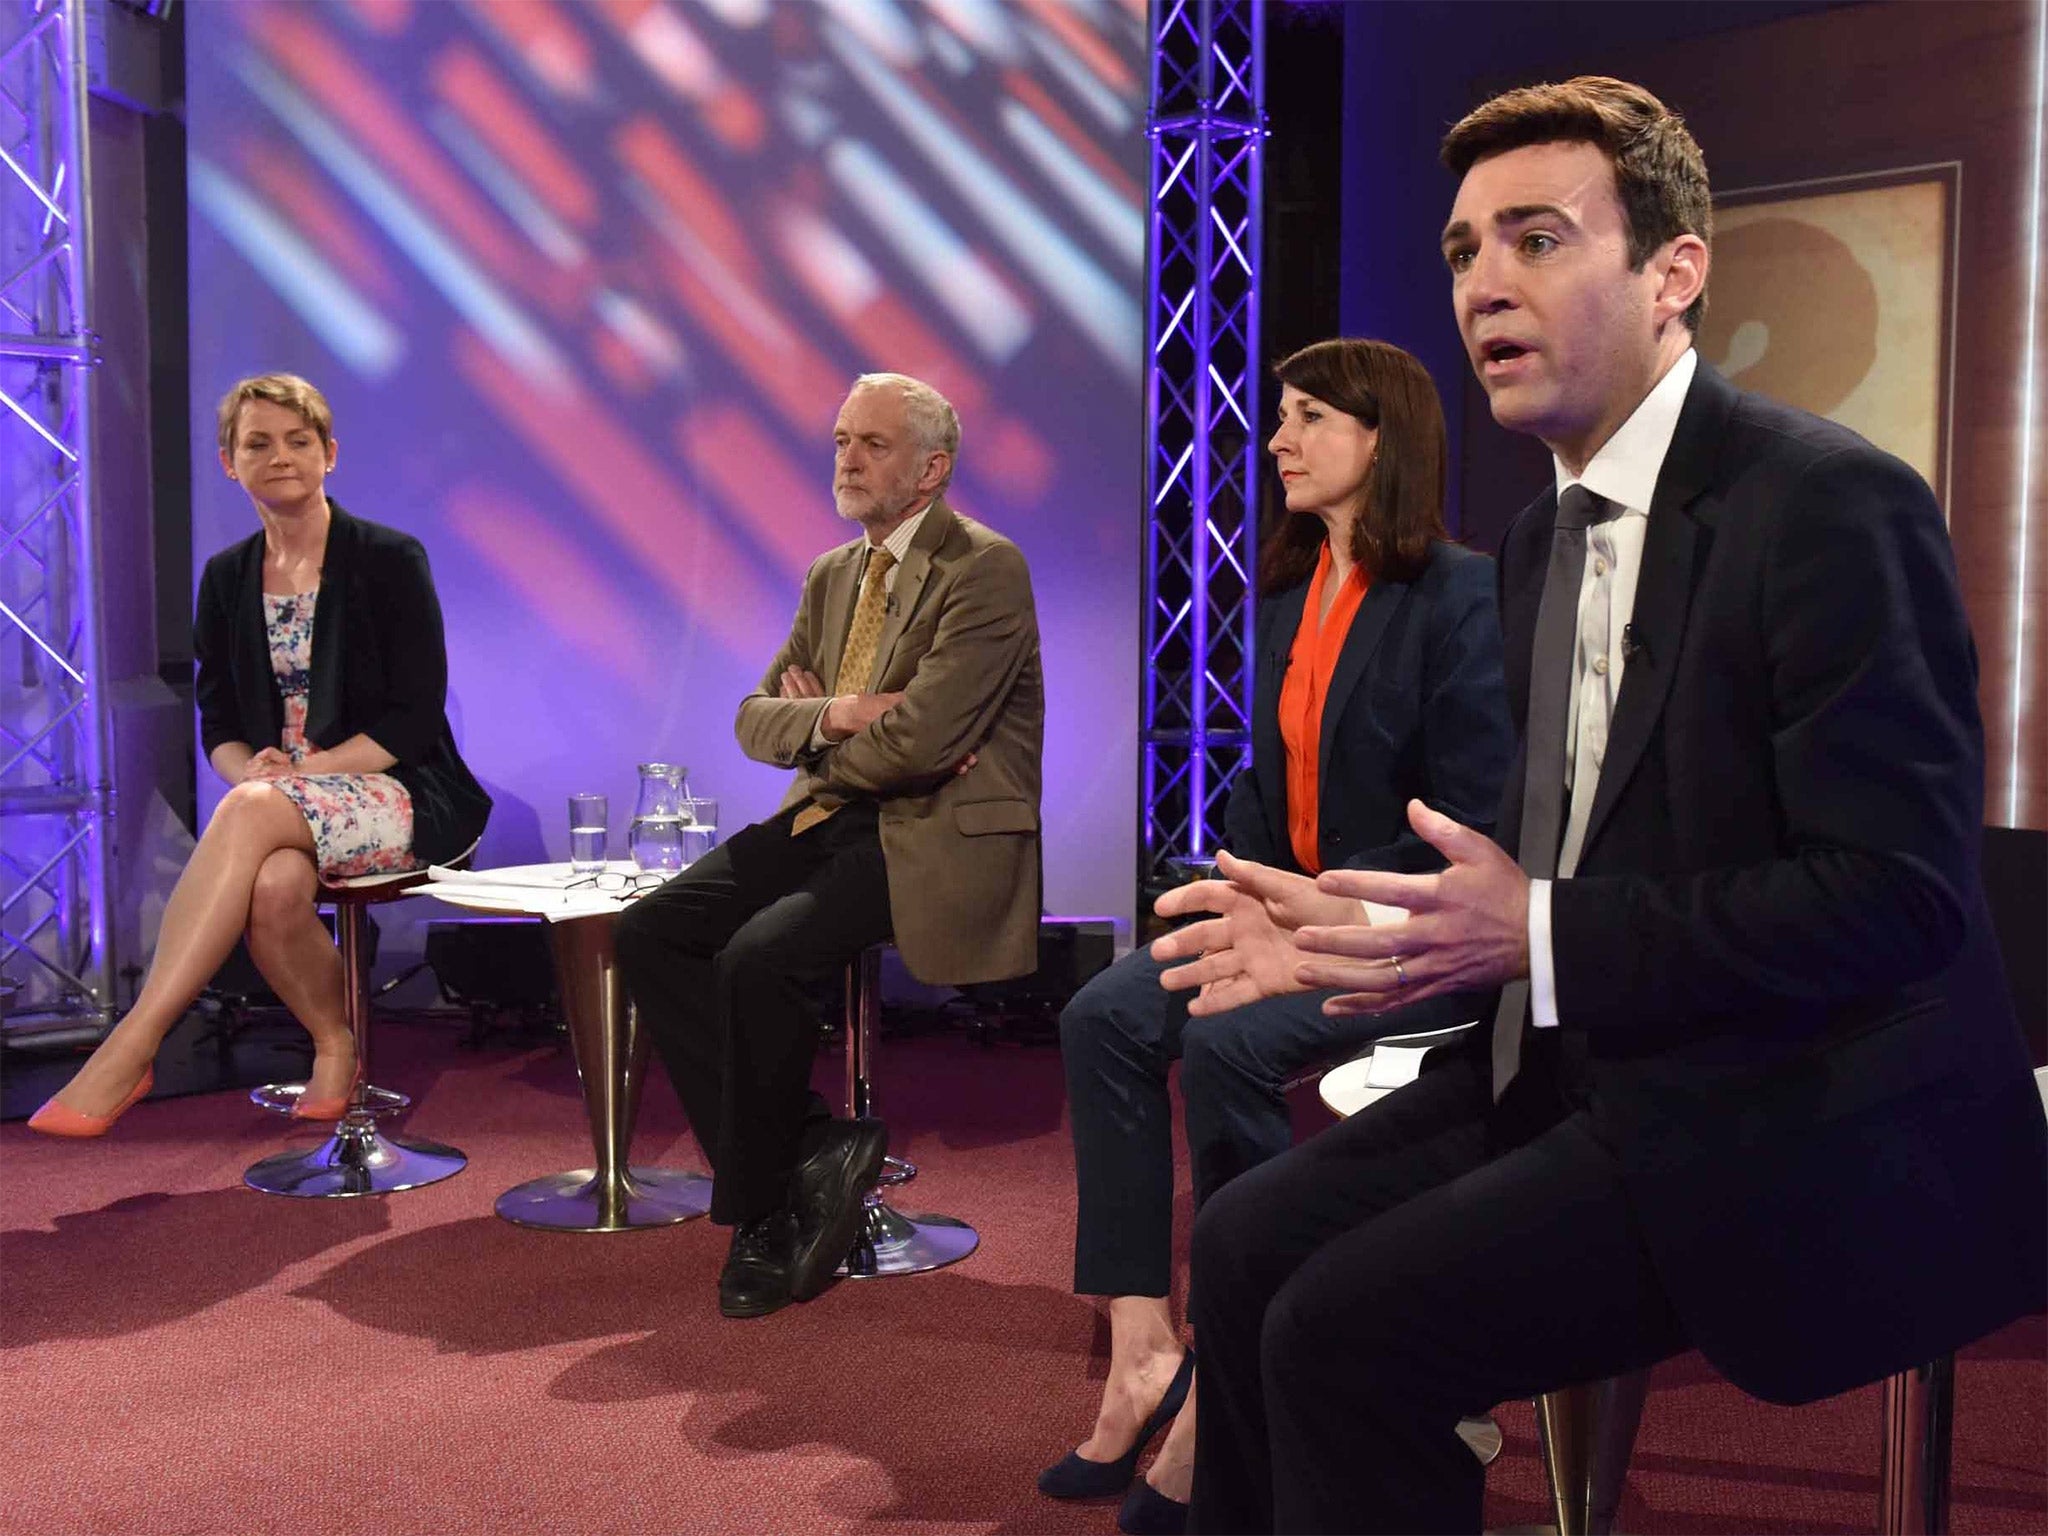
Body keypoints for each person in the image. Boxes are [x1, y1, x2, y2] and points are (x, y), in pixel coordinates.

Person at [1150, 77, 2048, 1533]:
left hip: (1787, 1101)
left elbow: (1897, 897)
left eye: (1538, 239)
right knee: (1248, 1238)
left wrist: (1540, 938)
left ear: (1674, 273)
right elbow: (1558, 866)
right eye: (1460, 253)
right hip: (1594, 1066)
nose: (1484, 285)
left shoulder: (1826, 506)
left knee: (1346, 1334)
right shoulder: (1533, 544)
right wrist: (1361, 929)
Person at [1040, 339, 1512, 1534]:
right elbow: (1264, 796)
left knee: (1230, 1045)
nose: (1278, 441)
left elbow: (1472, 819)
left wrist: (1323, 909)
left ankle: (1239, 1361)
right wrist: (1235, 887)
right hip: (1281, 917)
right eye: (1279, 418)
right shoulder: (1286, 602)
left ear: (1381, 436)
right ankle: (1145, 1349)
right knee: (1102, 1015)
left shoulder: (1460, 594)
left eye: (1306, 418)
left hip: (1408, 933)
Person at [616, 372, 1044, 1321]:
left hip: (929, 834)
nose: (847, 459)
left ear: (932, 469)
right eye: (842, 440)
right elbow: (752, 720)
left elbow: (928, 741)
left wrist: (823, 733)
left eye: (874, 445)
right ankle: (814, 1145)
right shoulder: (831, 572)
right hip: (827, 815)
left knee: (759, 959)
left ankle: (761, 1213)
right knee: (650, 932)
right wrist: (843, 713)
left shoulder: (985, 567)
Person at [31, 373, 490, 1137]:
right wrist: (249, 768)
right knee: (275, 886)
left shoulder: (389, 558)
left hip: (399, 788)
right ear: (228, 463)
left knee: (252, 809)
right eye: (258, 443)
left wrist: (292, 775)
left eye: (298, 440)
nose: (279, 456)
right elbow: (219, 723)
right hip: (281, 801)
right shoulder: (225, 577)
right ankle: (335, 1044)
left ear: (329, 454)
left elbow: (413, 721)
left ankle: (134, 1041)